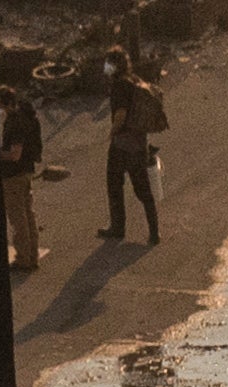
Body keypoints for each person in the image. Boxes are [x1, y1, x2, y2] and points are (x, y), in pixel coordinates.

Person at [102, 54, 165, 246]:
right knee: (144, 190)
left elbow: (120, 115)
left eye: (107, 63)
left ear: (113, 66)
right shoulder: (135, 80)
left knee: (114, 185)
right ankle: (154, 233)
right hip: (139, 145)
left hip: (122, 146)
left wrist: (112, 133)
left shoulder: (120, 86)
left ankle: (118, 227)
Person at [0, 65, 46, 274]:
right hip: (27, 172)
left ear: (4, 103)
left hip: (13, 175)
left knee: (18, 218)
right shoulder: (27, 114)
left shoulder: (15, 123)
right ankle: (32, 256)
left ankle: (24, 259)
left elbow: (14, 154)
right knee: (29, 214)